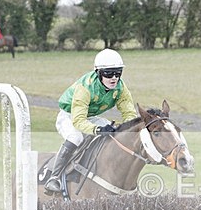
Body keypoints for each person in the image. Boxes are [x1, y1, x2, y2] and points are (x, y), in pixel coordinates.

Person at [44, 48, 139, 194]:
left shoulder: (121, 87)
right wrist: (98, 130)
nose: (114, 77)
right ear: (98, 73)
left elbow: (129, 113)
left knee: (114, 134)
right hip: (70, 116)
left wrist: (129, 131)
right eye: (108, 73)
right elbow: (78, 121)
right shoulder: (85, 88)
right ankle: (54, 177)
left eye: (118, 72)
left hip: (91, 117)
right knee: (76, 137)